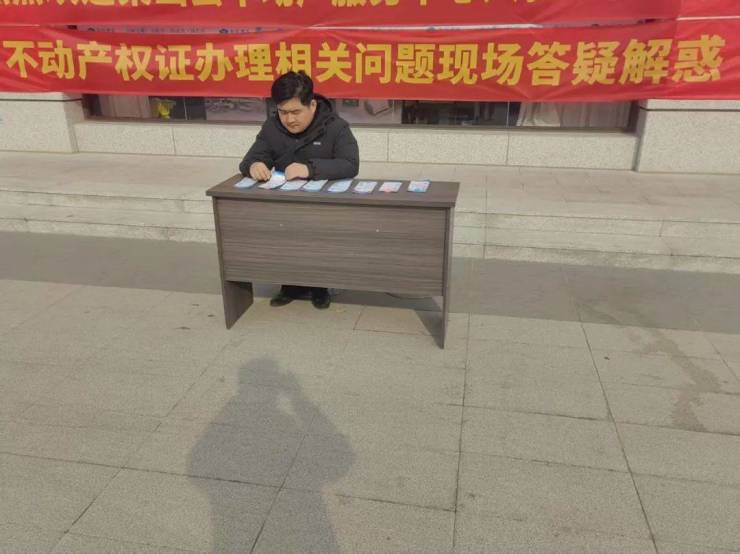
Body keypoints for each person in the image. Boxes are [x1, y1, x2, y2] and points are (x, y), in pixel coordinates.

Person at [239, 71, 360, 310]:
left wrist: (309, 169)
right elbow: (250, 159)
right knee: (284, 237)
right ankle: (290, 285)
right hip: (285, 205)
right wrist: (255, 165)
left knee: (318, 238)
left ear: (312, 105)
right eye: (283, 112)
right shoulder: (272, 127)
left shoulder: (336, 127)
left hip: (323, 206)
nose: (289, 119)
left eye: (296, 112)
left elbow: (350, 164)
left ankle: (320, 287)